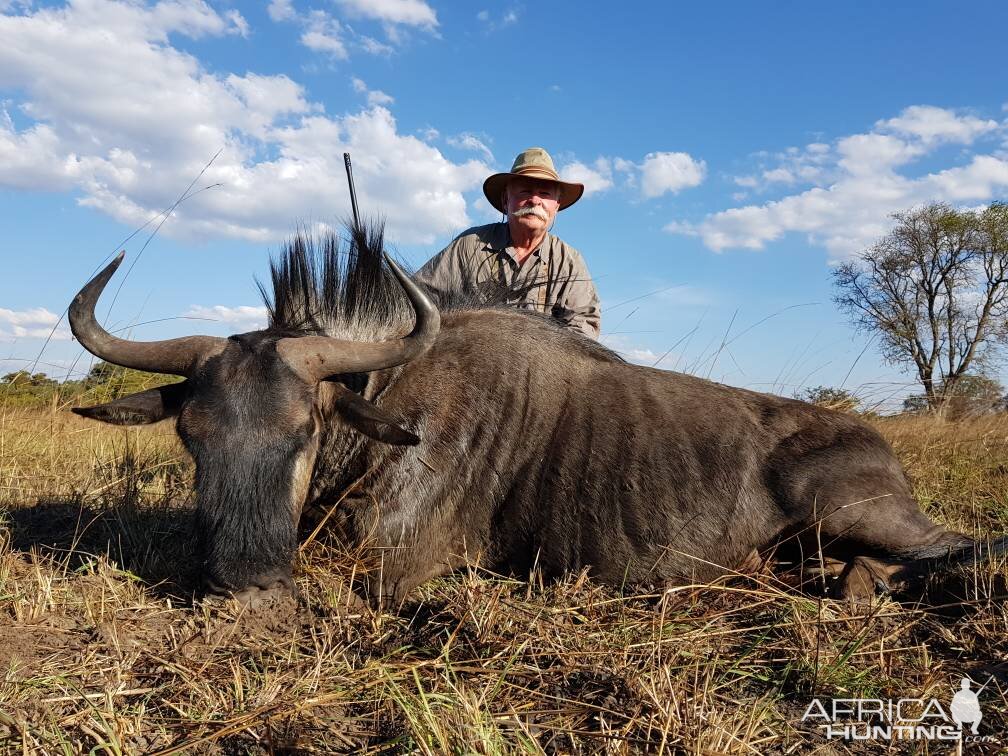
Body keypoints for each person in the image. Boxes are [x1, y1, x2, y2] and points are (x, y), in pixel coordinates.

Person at [414, 147, 601, 339]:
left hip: (541, 365)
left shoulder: (569, 261)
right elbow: (418, 295)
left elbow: (583, 325)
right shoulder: (469, 245)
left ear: (556, 206)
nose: (535, 200)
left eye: (545, 193)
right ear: (506, 200)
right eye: (525, 191)